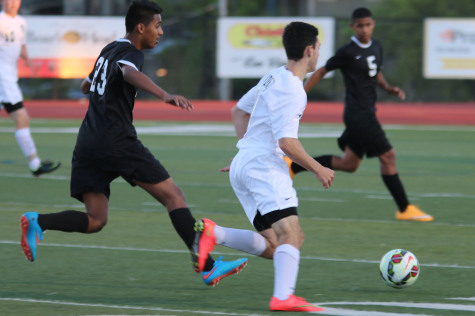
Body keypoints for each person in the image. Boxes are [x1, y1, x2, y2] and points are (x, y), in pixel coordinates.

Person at [20, 0, 247, 287]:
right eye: (157, 25)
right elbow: (128, 72)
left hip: (88, 143)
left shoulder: (108, 50)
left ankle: (39, 221)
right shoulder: (130, 52)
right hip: (117, 141)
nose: (161, 32)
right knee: (173, 197)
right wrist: (164, 94)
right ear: (141, 28)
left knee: (95, 220)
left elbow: (85, 86)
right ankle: (207, 266)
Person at [194, 22, 334, 312]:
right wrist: (318, 168)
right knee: (291, 235)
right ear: (309, 50)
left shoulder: (273, 77)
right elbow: (286, 143)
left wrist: (247, 151)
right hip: (263, 167)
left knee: (274, 245)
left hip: (245, 165)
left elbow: (239, 111)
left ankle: (213, 233)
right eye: (318, 48)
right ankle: (283, 297)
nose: (318, 53)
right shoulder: (294, 89)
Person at [292, 7, 433, 222]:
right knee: (388, 156)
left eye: (368, 24)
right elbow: (321, 71)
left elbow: (375, 72)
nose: (364, 29)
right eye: (360, 25)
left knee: (349, 164)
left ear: (373, 24)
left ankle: (292, 165)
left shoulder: (376, 46)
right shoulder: (347, 51)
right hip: (359, 115)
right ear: (353, 27)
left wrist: (387, 88)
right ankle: (404, 208)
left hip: (366, 112)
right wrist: (301, 94)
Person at [0, 0, 61, 176]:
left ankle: (35, 165)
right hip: (3, 78)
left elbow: (21, 44)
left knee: (21, 118)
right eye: (8, 0)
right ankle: (35, 165)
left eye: (15, 0)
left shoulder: (20, 22)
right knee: (22, 118)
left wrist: (27, 58)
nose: (12, 3)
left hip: (9, 76)